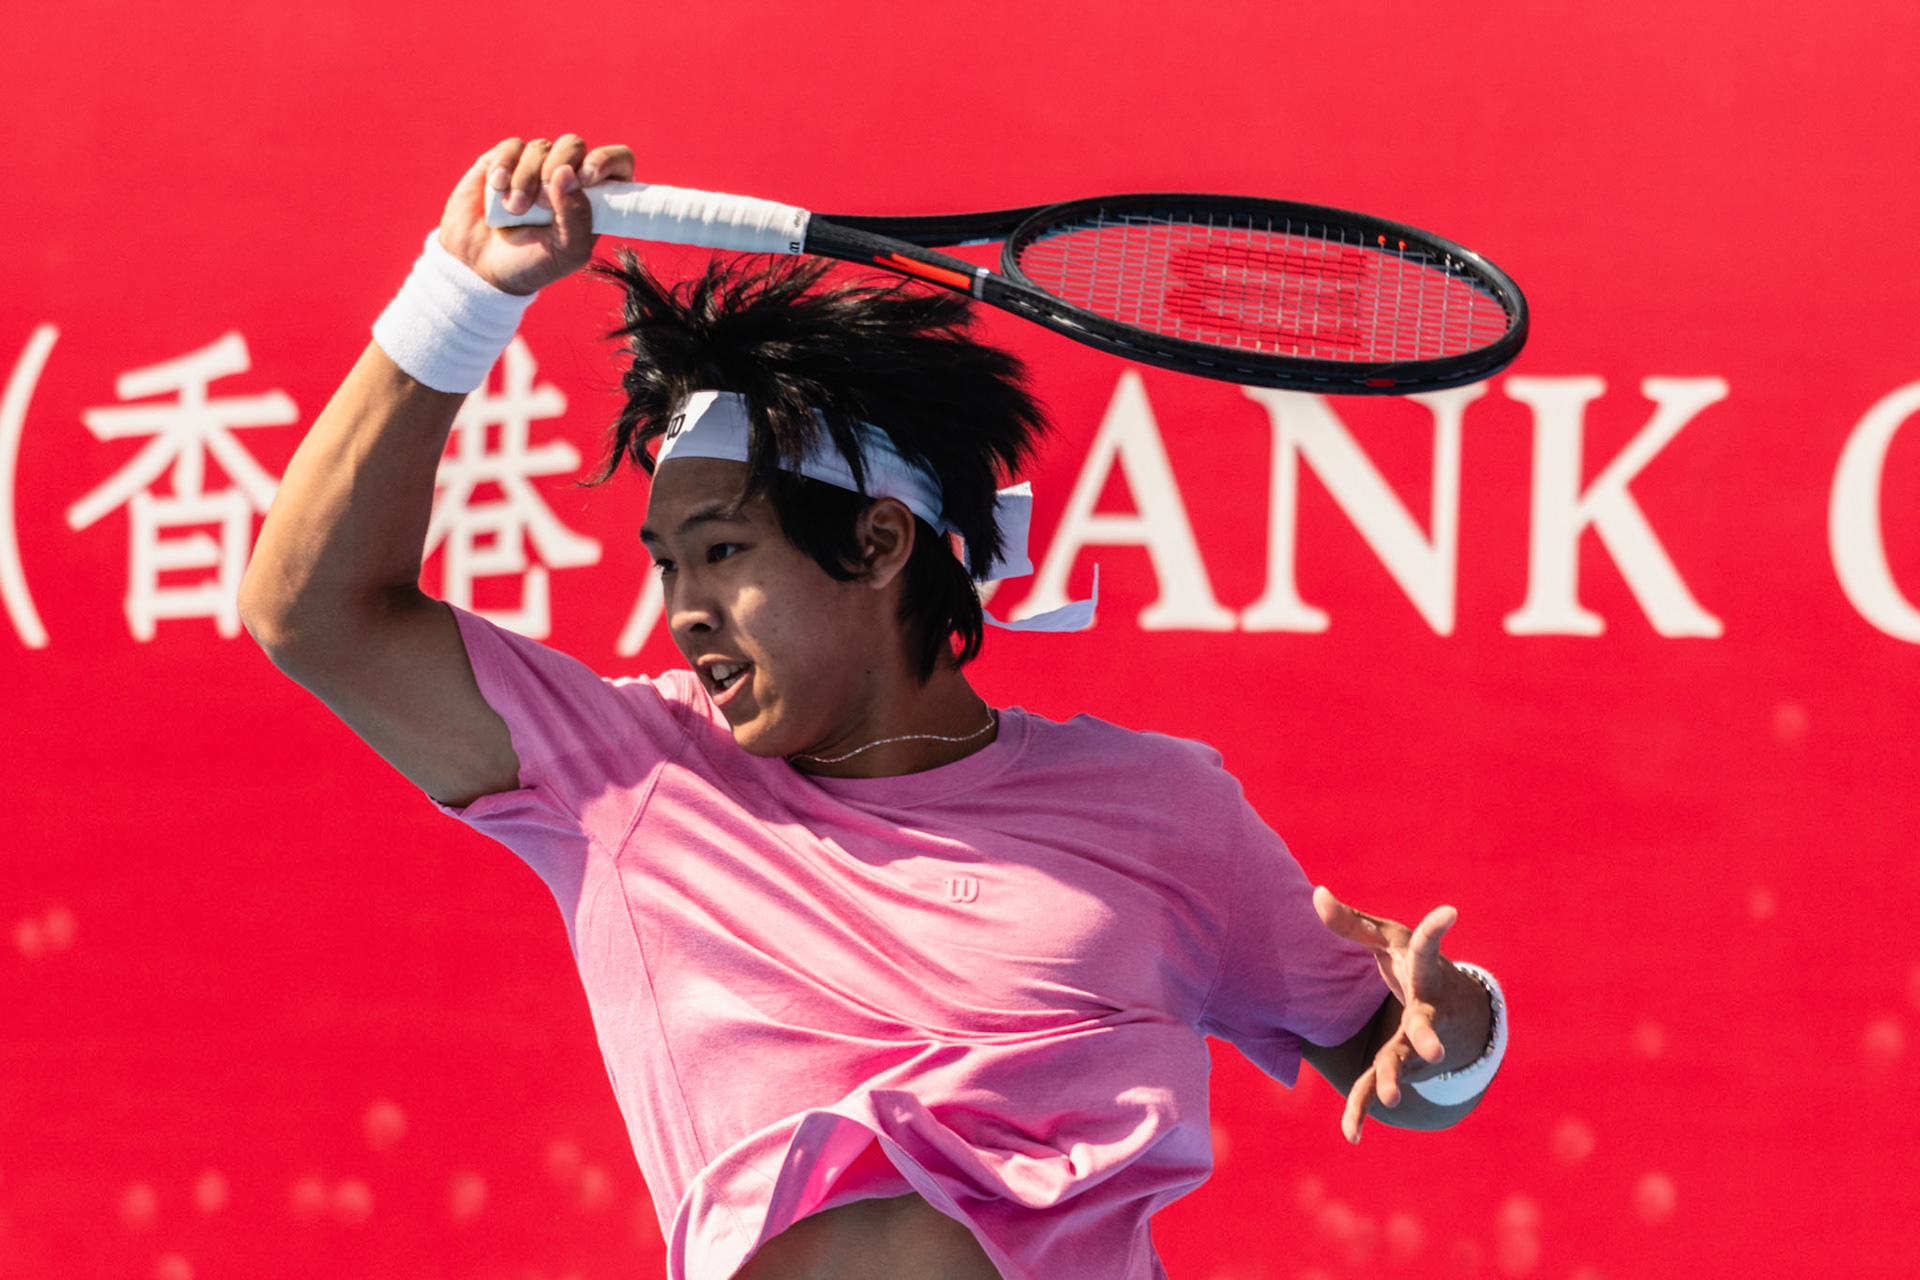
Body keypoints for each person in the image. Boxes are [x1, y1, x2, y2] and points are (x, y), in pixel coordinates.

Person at [239, 134, 1506, 1280]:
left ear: (881, 540)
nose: (679, 608)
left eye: (724, 553)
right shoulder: (630, 775)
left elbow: (1393, 1066)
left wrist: (1457, 1040)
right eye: (665, 560)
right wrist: (464, 298)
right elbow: (314, 613)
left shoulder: (1170, 811)